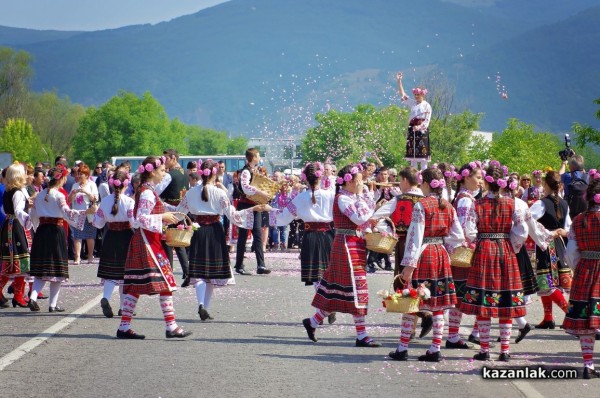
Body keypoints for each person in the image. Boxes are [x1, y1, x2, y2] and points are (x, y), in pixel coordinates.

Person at [388, 168, 464, 362]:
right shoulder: (448, 206)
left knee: (412, 302)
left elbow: (415, 236)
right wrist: (447, 247)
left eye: (422, 183)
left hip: (424, 254)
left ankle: (402, 347)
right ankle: (435, 348)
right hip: (440, 254)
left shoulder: (422, 205)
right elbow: (458, 236)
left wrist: (409, 265)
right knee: (438, 305)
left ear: (427, 184)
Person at [302, 164, 380, 347]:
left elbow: (368, 213)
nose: (362, 182)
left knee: (338, 290)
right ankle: (361, 335)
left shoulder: (351, 197)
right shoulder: (343, 199)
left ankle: (312, 322)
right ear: (349, 181)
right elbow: (360, 218)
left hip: (355, 243)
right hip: (346, 244)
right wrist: (362, 196)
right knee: (357, 286)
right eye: (359, 179)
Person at [116, 156, 191, 339]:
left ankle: (124, 327)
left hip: (147, 241)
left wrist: (178, 208)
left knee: (135, 285)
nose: (164, 174)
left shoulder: (148, 190)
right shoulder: (147, 192)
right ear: (152, 172)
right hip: (147, 242)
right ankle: (171, 326)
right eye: (162, 170)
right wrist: (163, 217)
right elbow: (141, 218)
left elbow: (156, 211)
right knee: (165, 282)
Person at [460, 162, 529, 362]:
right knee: (506, 301)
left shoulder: (478, 203)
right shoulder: (512, 203)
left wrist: (479, 240)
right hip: (505, 249)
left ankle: (484, 350)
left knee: (484, 301)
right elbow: (521, 231)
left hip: (484, 250)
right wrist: (512, 245)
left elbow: (470, 231)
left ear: (487, 183)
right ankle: (505, 350)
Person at [177, 159, 261, 321]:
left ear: (201, 173)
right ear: (214, 174)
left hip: (198, 231)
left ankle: (202, 305)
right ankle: (204, 307)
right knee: (210, 273)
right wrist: (252, 209)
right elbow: (234, 215)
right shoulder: (220, 193)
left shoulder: (191, 192)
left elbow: (179, 213)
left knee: (200, 272)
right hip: (215, 232)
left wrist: (163, 211)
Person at [374, 166, 432, 339]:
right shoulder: (427, 199)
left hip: (405, 244)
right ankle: (414, 326)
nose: (399, 184)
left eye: (400, 181)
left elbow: (378, 216)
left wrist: (388, 231)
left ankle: (422, 317)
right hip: (427, 245)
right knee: (420, 283)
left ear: (406, 180)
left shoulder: (399, 199)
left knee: (405, 283)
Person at [28, 164, 96, 312]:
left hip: (41, 232)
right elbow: (67, 212)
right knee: (57, 270)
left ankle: (33, 297)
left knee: (42, 268)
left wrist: (35, 225)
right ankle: (52, 304)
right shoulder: (58, 195)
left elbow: (33, 216)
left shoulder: (39, 195)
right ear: (62, 178)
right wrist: (86, 212)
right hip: (55, 232)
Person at [563, 169, 600, 378]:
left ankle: (588, 365)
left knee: (587, 324)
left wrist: (580, 267)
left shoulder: (578, 220)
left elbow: (570, 253)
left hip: (585, 269)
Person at [530, 171, 571, 329]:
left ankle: (570, 313)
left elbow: (528, 219)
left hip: (546, 245)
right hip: (560, 244)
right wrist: (560, 231)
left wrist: (543, 232)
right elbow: (568, 227)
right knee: (548, 283)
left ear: (546, 185)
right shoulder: (564, 203)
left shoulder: (541, 204)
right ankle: (548, 317)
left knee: (546, 283)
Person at [91, 170, 135, 318]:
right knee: (125, 274)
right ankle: (123, 308)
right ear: (126, 184)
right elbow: (134, 223)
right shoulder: (129, 201)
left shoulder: (105, 201)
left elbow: (97, 223)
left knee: (111, 272)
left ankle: (106, 297)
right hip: (126, 237)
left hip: (110, 237)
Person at [234, 148, 272, 275]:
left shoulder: (256, 170)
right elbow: (245, 188)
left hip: (256, 206)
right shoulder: (245, 171)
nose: (259, 157)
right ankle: (239, 265)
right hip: (245, 206)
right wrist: (260, 192)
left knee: (257, 234)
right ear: (254, 157)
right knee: (243, 235)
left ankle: (261, 265)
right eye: (258, 155)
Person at [0, 164, 33, 308]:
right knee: (20, 261)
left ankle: (18, 295)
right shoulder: (18, 192)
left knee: (14, 262)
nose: (26, 175)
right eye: (24, 173)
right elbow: (19, 210)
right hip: (16, 227)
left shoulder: (8, 191)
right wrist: (28, 219)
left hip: (9, 225)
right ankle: (18, 295)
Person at [156, 149, 190, 284]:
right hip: (181, 210)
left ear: (173, 158)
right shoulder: (186, 174)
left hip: (168, 209)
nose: (164, 162)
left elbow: (157, 190)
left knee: (167, 241)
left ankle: (168, 274)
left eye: (166, 159)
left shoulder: (170, 175)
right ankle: (187, 272)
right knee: (178, 241)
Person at [396, 72, 432, 170]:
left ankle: (424, 175)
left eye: (418, 95)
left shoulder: (426, 105)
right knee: (413, 157)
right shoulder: (413, 103)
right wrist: (399, 81)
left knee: (423, 157)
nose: (416, 96)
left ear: (422, 95)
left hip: (422, 131)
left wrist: (420, 127)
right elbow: (403, 95)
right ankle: (414, 175)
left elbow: (427, 120)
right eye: (415, 94)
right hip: (412, 130)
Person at [68, 163, 99, 264]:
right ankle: (77, 257)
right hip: (78, 213)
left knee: (90, 235)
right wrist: (73, 193)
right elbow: (69, 200)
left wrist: (86, 192)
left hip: (89, 214)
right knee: (77, 236)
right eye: (78, 173)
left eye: (81, 174)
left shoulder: (92, 184)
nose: (79, 176)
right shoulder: (75, 185)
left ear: (86, 175)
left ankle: (90, 256)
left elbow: (95, 198)